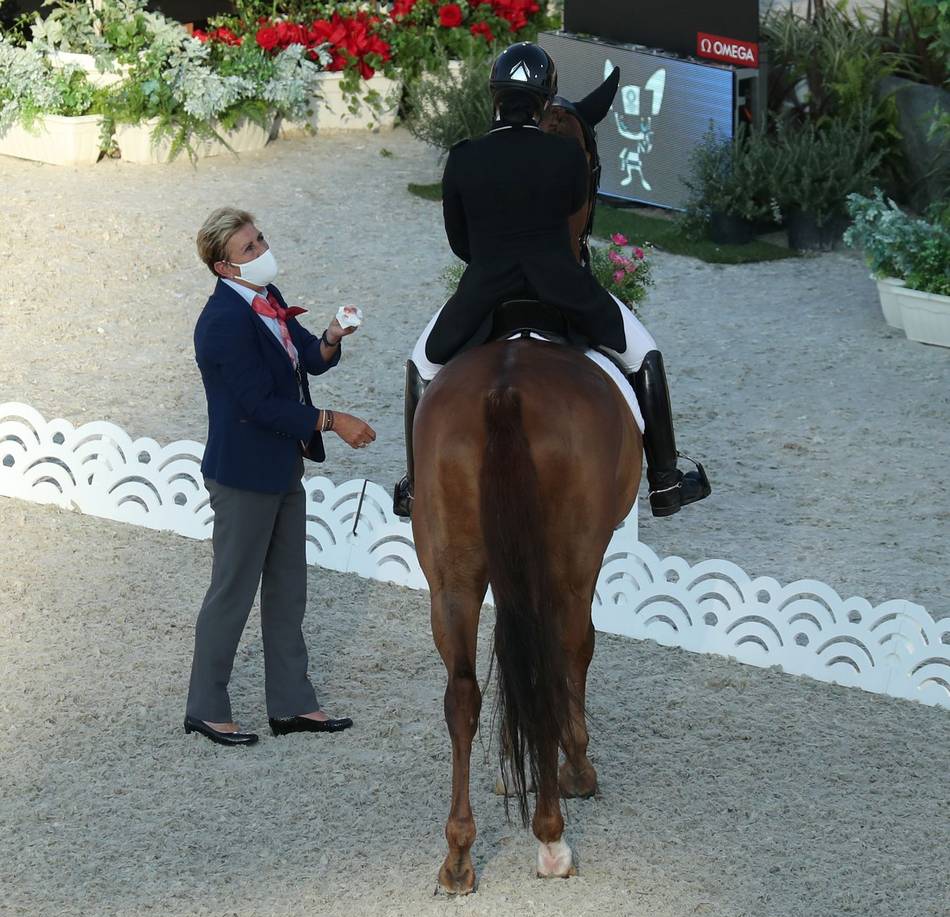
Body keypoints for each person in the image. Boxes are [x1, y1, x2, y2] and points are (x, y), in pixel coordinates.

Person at [393, 42, 710, 520]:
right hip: (561, 284)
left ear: (494, 96)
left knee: (422, 366)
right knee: (644, 355)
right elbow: (572, 218)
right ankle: (665, 480)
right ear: (546, 101)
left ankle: (416, 488)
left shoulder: (463, 158)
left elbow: (461, 244)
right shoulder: (566, 157)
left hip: (484, 290)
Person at [185, 207, 376, 747]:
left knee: (289, 590)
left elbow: (308, 360)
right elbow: (257, 404)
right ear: (224, 268)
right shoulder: (222, 321)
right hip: (244, 474)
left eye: (259, 238)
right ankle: (205, 706)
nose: (262, 250)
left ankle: (292, 705)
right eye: (249, 248)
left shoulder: (267, 297)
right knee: (233, 592)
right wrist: (333, 421)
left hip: (282, 464)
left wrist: (334, 336)